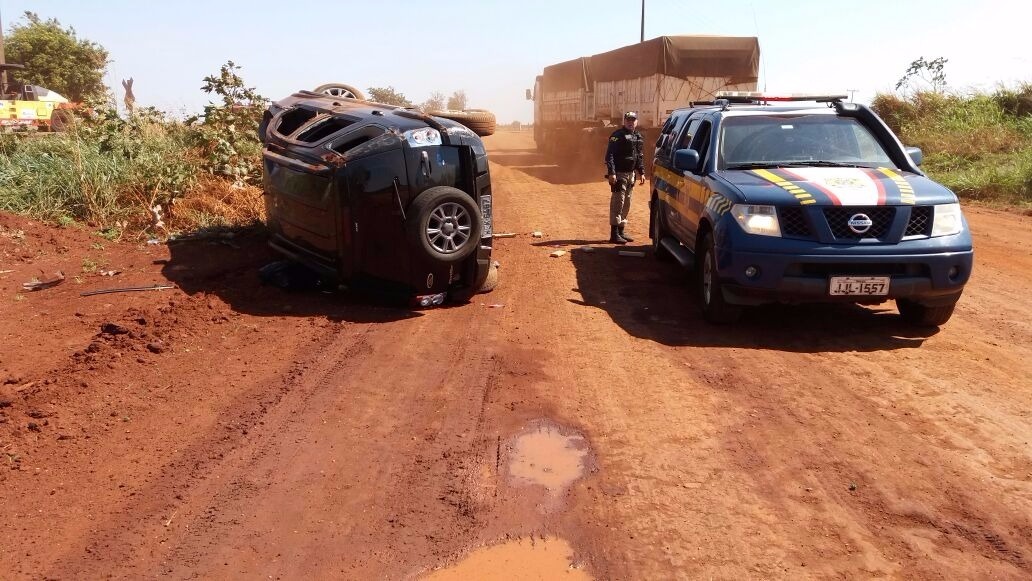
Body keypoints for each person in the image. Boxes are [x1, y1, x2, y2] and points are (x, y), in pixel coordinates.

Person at [604, 111, 646, 244]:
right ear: (624, 121)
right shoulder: (617, 136)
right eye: (628, 119)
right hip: (620, 174)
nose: (630, 122)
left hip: (631, 174)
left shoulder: (638, 136)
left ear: (637, 122)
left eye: (633, 120)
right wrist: (612, 173)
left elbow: (639, 156)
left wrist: (642, 172)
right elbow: (609, 155)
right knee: (618, 202)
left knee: (627, 202)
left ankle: (621, 231)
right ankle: (614, 234)